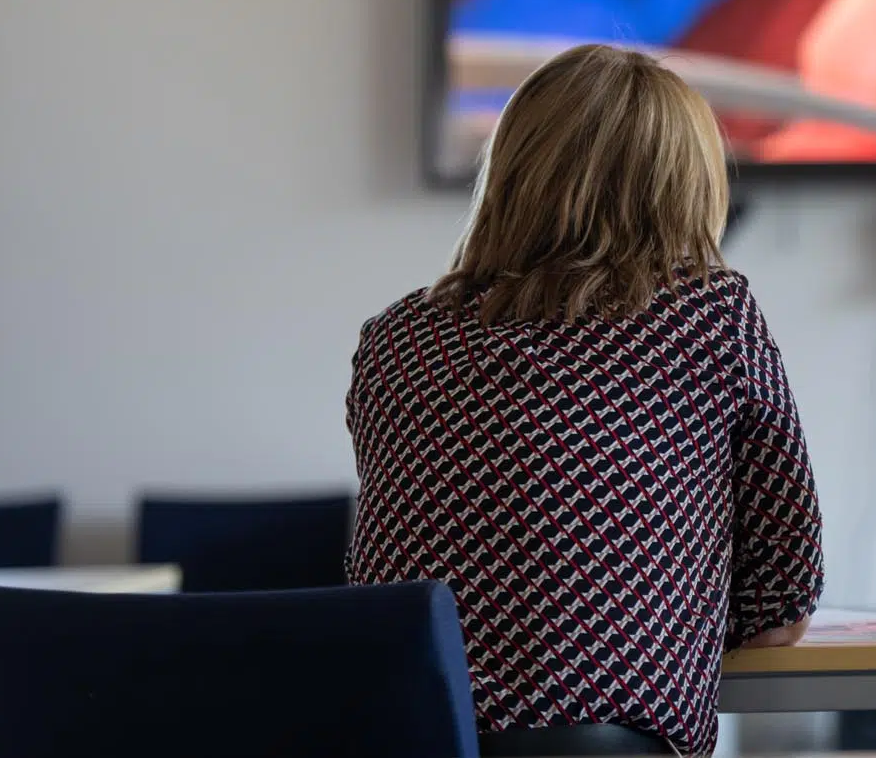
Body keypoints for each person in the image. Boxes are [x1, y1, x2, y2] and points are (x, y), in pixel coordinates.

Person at [347, 44, 823, 757]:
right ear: (686, 186)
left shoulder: (395, 339)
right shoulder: (710, 317)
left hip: (394, 735)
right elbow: (780, 601)